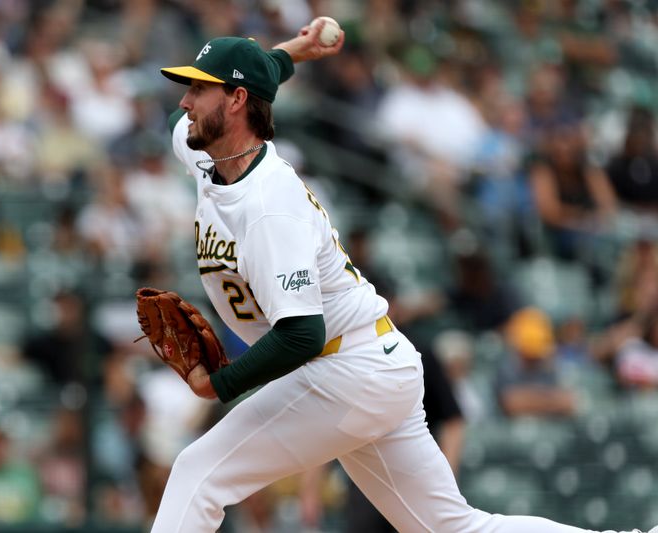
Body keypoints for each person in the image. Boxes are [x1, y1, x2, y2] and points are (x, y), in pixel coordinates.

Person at [152, 19, 655, 533]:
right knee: (452, 528)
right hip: (372, 365)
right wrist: (291, 54)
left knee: (199, 472)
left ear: (236, 102)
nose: (185, 103)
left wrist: (219, 383)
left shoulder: (269, 207)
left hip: (344, 367)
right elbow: (254, 80)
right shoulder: (200, 148)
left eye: (198, 88)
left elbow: (302, 335)